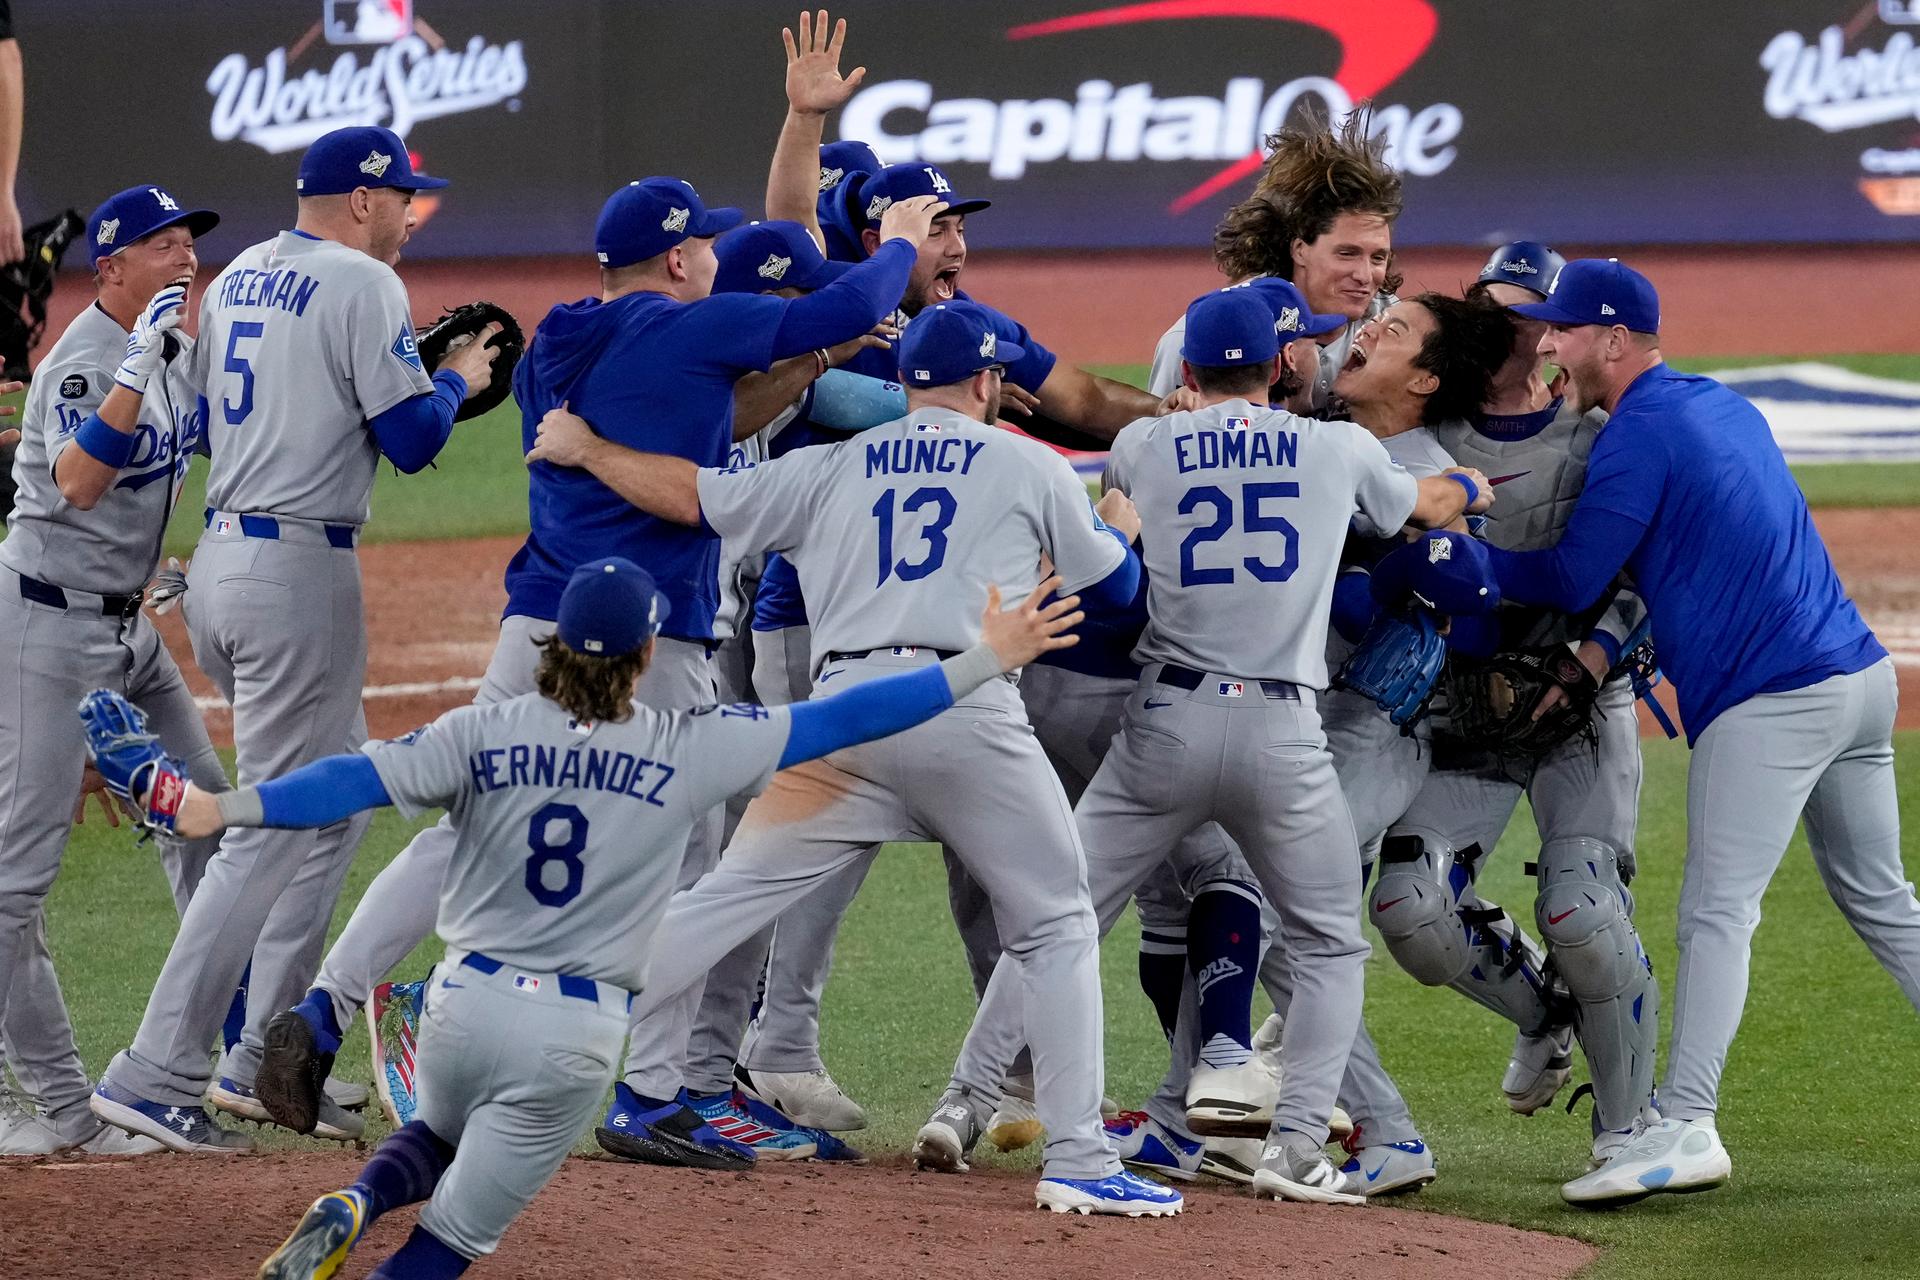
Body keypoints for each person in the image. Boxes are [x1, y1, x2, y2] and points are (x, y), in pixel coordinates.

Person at [85, 556, 1081, 1278]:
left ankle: (355, 1197)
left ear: (554, 647)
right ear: (649, 653)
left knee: (437, 1126)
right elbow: (848, 716)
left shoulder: (481, 731)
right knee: (447, 1248)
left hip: (462, 1007)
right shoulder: (693, 745)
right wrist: (983, 658)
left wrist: (216, 807)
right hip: (570, 1033)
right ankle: (374, 1231)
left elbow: (346, 778)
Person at [249, 182, 937, 1164]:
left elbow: (716, 412)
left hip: (535, 617)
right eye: (704, 242)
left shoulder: (566, 338)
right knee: (687, 844)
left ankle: (323, 1005)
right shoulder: (690, 329)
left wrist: (815, 362)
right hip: (648, 635)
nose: (712, 255)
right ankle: (653, 1091)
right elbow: (854, 304)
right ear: (675, 260)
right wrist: (900, 243)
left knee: (469, 819)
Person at [525, 299, 1184, 1216]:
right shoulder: (1027, 460)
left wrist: (587, 448)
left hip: (837, 720)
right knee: (1057, 922)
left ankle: (522, 1010)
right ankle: (1077, 1158)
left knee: (718, 902)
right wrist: (1118, 525)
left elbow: (692, 496)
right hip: (962, 710)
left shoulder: (827, 463)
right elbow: (1117, 594)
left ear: (905, 385)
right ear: (991, 384)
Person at [1399, 257, 1918, 1205]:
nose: (1546, 342)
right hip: (1860, 680)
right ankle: (1678, 1117)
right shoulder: (1710, 401)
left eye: (1561, 328)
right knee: (1886, 903)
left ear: (1613, 339)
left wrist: (1454, 554)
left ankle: (1684, 1123)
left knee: (1718, 914)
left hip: (1776, 701)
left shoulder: (1637, 435)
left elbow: (1568, 578)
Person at [89, 126, 505, 1153]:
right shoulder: (363, 285)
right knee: (275, 823)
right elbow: (410, 441)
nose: (414, 213)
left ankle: (259, 1057)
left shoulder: (236, 280)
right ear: (363, 200)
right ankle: (158, 1066)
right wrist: (452, 378)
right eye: (405, 197)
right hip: (296, 573)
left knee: (332, 809)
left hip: (227, 564)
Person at [1372, 243, 1661, 1199]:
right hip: (1469, 713)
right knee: (1409, 912)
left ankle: (1631, 1130)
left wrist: (1589, 662)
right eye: (1490, 305)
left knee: (1582, 914)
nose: (1507, 321)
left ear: (1553, 331)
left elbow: (1643, 580)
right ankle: (1545, 1013)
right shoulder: (1426, 436)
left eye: (1528, 309)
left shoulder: (1597, 436)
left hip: (1582, 711)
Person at [0, 185, 227, 1157]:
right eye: (164, 245)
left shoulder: (172, 352)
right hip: (46, 636)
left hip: (128, 632)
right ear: (112, 270)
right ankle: (58, 1106)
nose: (185, 260)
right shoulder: (83, 367)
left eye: (191, 244)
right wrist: (142, 356)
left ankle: (199, 1057)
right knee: (14, 885)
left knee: (213, 825)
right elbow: (82, 483)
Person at [1150, 108, 1403, 409]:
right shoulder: (1203, 339)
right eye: (1346, 254)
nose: (1364, 275)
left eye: (1377, 258)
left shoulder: (1397, 331)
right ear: (1299, 250)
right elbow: (1159, 446)